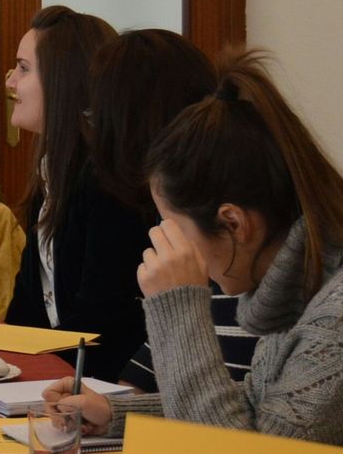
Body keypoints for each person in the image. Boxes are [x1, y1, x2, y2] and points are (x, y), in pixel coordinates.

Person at [46, 51, 343, 443]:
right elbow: (258, 412)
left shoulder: (333, 321)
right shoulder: (299, 284)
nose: (173, 249)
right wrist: (117, 415)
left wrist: (179, 308)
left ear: (234, 223)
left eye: (175, 231)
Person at [88, 29, 257, 391]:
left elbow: (232, 437)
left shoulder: (301, 307)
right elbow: (146, 383)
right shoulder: (232, 258)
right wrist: (115, 409)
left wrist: (180, 306)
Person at [3, 5, 152, 381]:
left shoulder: (106, 182)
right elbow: (29, 304)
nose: (9, 81)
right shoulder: (52, 173)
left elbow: (103, 320)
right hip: (56, 380)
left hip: (101, 393)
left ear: (61, 80)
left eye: (23, 68)